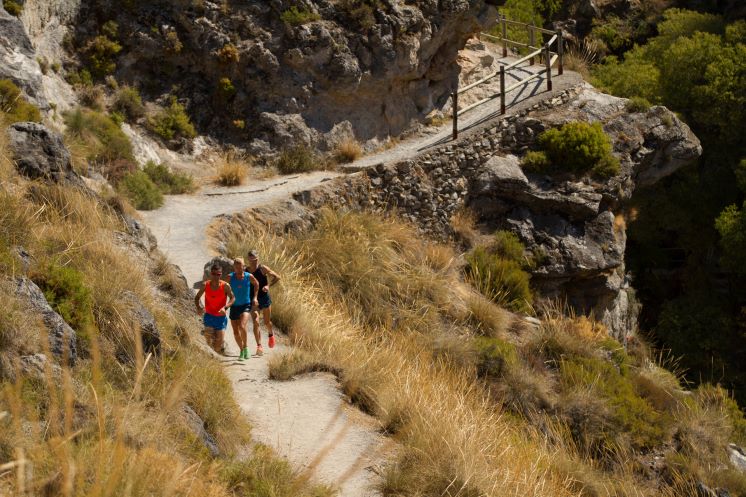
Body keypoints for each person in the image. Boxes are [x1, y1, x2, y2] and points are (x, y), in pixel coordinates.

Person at [194, 263, 235, 354]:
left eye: (218, 274)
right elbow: (197, 298)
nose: (216, 276)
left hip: (221, 318)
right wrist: (199, 308)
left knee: (217, 346)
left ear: (221, 274)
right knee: (209, 343)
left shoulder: (225, 286)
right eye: (214, 274)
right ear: (211, 274)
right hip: (209, 316)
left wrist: (225, 307)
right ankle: (212, 361)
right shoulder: (205, 285)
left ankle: (221, 347)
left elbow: (233, 298)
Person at [247, 250, 281, 354]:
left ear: (258, 259)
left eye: (255, 260)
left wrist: (268, 286)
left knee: (267, 322)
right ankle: (259, 346)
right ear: (248, 260)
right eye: (251, 260)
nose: (254, 262)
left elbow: (277, 277)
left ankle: (271, 334)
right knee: (256, 322)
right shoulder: (246, 270)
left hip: (264, 298)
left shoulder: (262, 268)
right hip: (253, 299)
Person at [228, 257, 259, 360]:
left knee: (242, 326)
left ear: (243, 266)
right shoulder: (230, 277)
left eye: (240, 266)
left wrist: (254, 297)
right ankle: (241, 350)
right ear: (234, 267)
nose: (238, 269)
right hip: (234, 306)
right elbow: (223, 288)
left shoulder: (248, 276)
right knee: (236, 332)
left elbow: (256, 284)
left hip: (246, 305)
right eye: (236, 267)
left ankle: (246, 348)